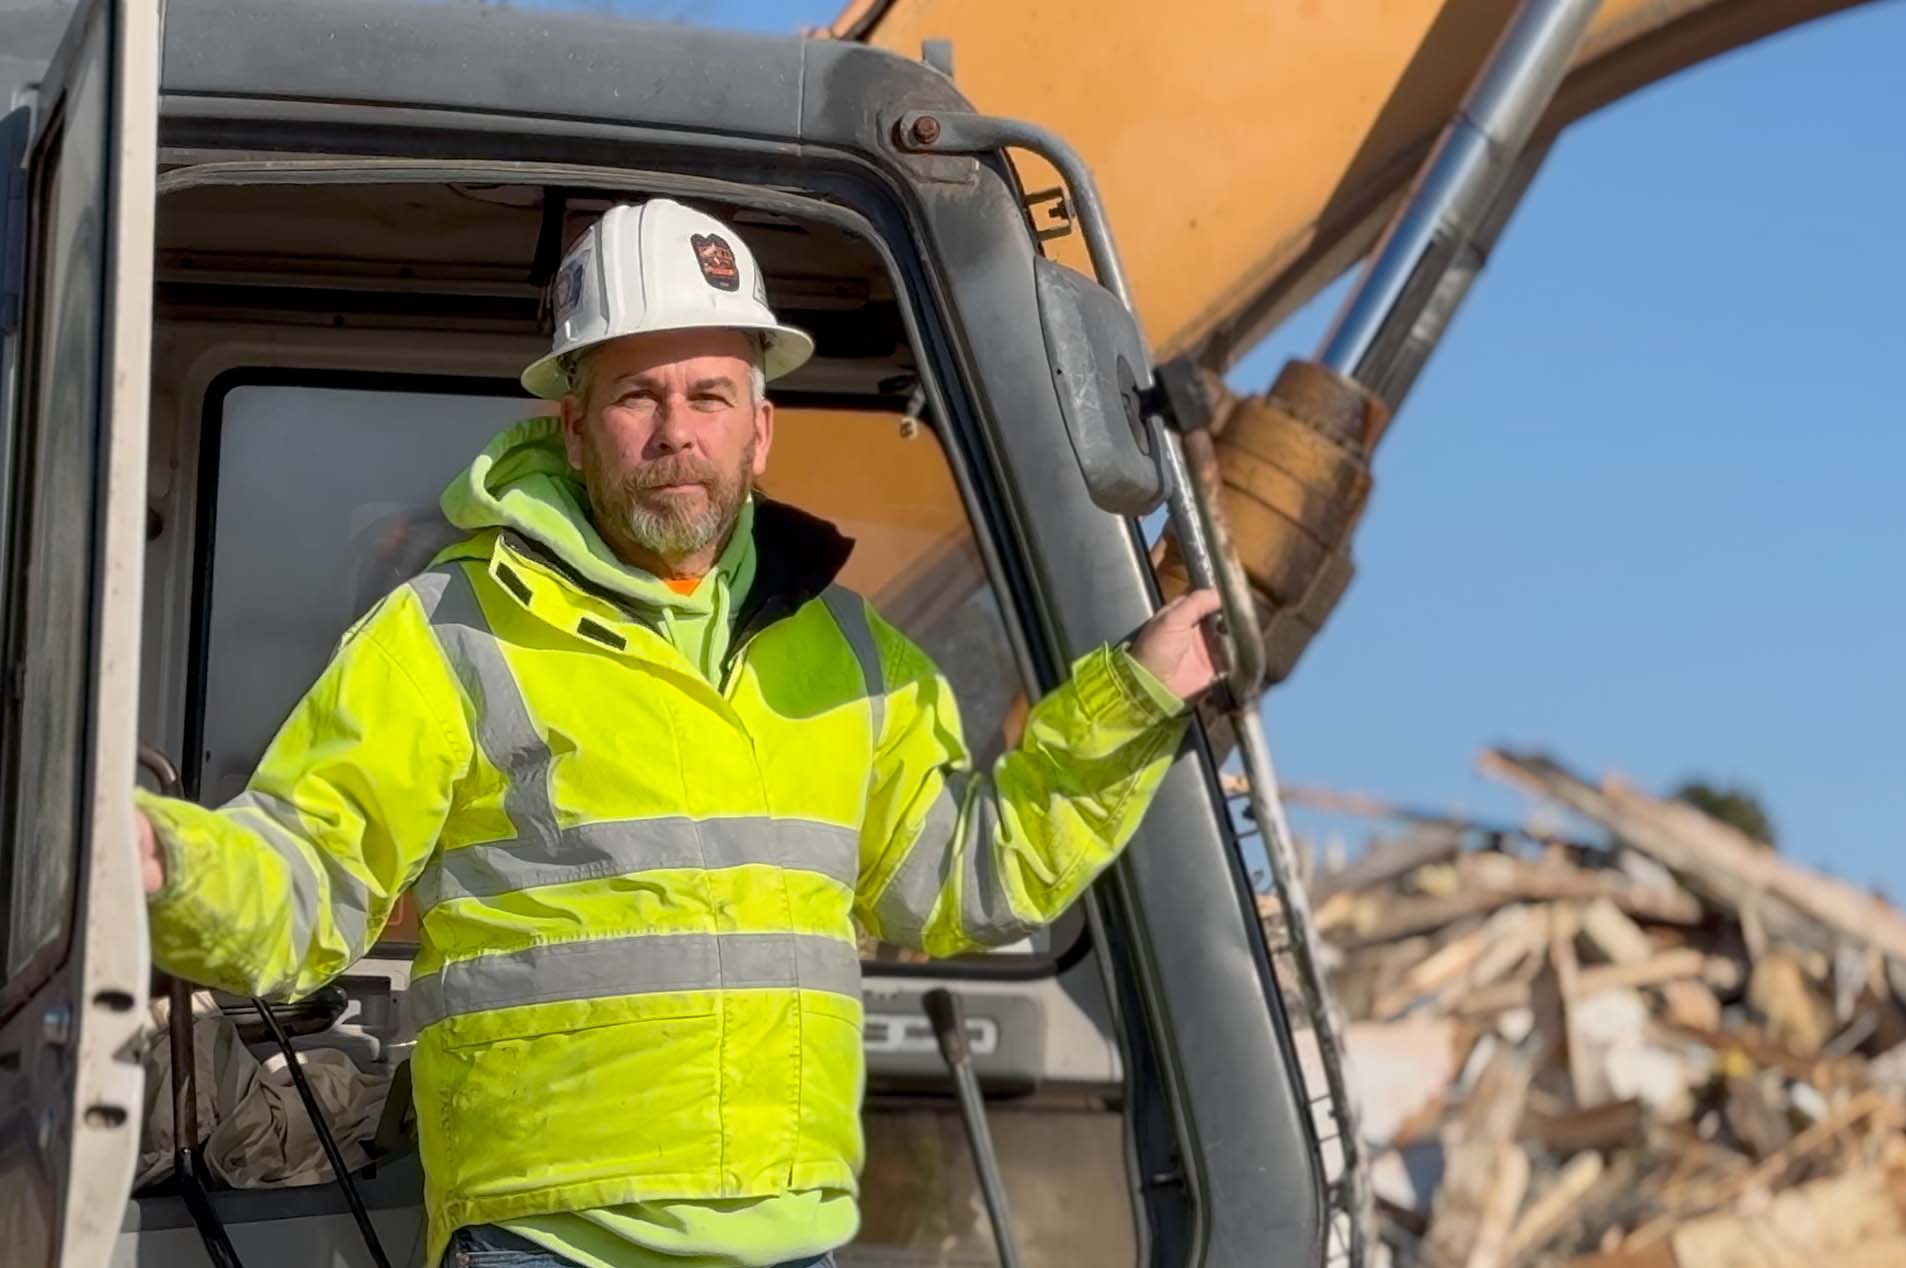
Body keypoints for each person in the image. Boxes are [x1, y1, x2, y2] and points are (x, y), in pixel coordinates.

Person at [134, 198, 1220, 1268]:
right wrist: (167, 861)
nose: (675, 431)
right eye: (637, 396)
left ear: (760, 424)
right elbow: (305, 870)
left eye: (709, 393)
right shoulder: (449, 632)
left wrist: (1132, 697)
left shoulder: (845, 649)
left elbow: (970, 876)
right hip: (543, 1243)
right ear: (571, 421)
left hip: (791, 1241)